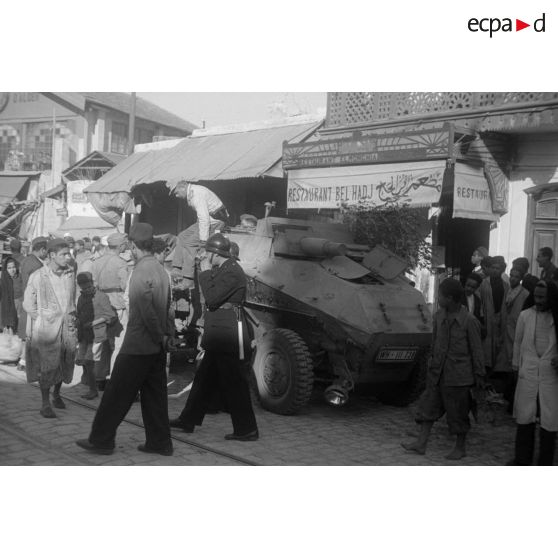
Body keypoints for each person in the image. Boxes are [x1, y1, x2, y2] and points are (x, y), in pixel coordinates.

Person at [76, 223, 174, 456]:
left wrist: (157, 333)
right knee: (155, 397)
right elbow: (166, 308)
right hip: (156, 347)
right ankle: (160, 443)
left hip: (139, 344)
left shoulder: (140, 271)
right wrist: (166, 335)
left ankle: (101, 440)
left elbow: (145, 310)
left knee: (115, 394)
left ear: (132, 245)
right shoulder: (161, 270)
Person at [169, 233, 259, 441]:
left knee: (235, 383)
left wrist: (204, 272)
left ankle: (247, 429)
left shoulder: (232, 272)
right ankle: (188, 419)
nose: (205, 256)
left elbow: (212, 298)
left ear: (215, 254)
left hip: (227, 335)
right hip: (219, 332)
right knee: (203, 380)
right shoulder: (224, 269)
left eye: (208, 253)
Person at [402, 279, 484, 460]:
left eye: (441, 295)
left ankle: (460, 448)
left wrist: (479, 377)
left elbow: (477, 351)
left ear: (451, 298)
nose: (438, 298)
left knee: (458, 414)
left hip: (459, 378)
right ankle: (421, 444)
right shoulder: (439, 316)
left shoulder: (469, 321)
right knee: (428, 408)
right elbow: (434, 342)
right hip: (438, 373)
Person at [23, 239, 77, 419]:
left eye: (68, 254)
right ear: (52, 255)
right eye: (63, 254)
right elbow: (28, 305)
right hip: (47, 331)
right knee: (47, 365)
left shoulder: (70, 273)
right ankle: (45, 403)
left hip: (67, 328)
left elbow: (72, 300)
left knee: (65, 360)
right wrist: (42, 321)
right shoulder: (38, 276)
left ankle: (57, 394)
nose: (67, 257)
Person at [508, 280, 558, 465]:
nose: (538, 300)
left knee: (550, 420)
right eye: (535, 296)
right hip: (527, 371)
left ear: (551, 298)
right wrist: (515, 366)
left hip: (551, 375)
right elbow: (518, 342)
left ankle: (545, 464)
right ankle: (522, 460)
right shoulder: (524, 316)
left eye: (542, 297)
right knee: (524, 417)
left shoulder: (556, 317)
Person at [171, 181, 228, 288]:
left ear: (183, 187)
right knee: (182, 236)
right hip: (207, 220)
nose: (176, 195)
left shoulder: (197, 195)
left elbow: (204, 219)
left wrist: (203, 241)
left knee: (189, 244)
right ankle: (177, 267)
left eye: (176, 192)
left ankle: (188, 278)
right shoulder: (192, 192)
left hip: (215, 222)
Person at [75, 272, 119, 400]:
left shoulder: (101, 296)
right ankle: (90, 384)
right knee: (83, 362)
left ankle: (93, 390)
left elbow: (110, 316)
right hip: (84, 335)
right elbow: (79, 314)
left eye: (88, 287)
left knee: (89, 362)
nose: (87, 290)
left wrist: (94, 323)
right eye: (84, 288)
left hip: (98, 335)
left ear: (92, 283)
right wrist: (76, 320)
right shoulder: (81, 298)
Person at [18, 237, 48, 371]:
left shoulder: (25, 260)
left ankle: (23, 361)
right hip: (33, 302)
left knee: (27, 334)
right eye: (46, 251)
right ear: (42, 250)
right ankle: (26, 362)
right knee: (32, 334)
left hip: (25, 299)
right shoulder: (37, 265)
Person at [91, 232, 129, 328]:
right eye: (125, 244)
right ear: (120, 246)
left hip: (101, 303)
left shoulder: (96, 262)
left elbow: (93, 283)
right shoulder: (121, 263)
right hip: (117, 303)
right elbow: (125, 286)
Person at [479, 256, 509, 374]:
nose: (495, 270)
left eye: (498, 268)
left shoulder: (506, 285)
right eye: (493, 267)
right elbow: (479, 301)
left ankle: (496, 371)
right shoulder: (483, 284)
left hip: (499, 317)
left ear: (502, 270)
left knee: (498, 344)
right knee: (486, 344)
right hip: (486, 317)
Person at [0, 258, 24, 337]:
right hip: (7, 307)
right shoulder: (3, 280)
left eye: (13, 267)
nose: (12, 270)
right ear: (5, 269)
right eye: (9, 268)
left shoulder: (20, 277)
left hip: (20, 305)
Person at [462, 272, 485, 338]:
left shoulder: (477, 300)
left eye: (473, 287)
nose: (469, 288)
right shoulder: (458, 296)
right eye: (468, 285)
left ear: (477, 288)